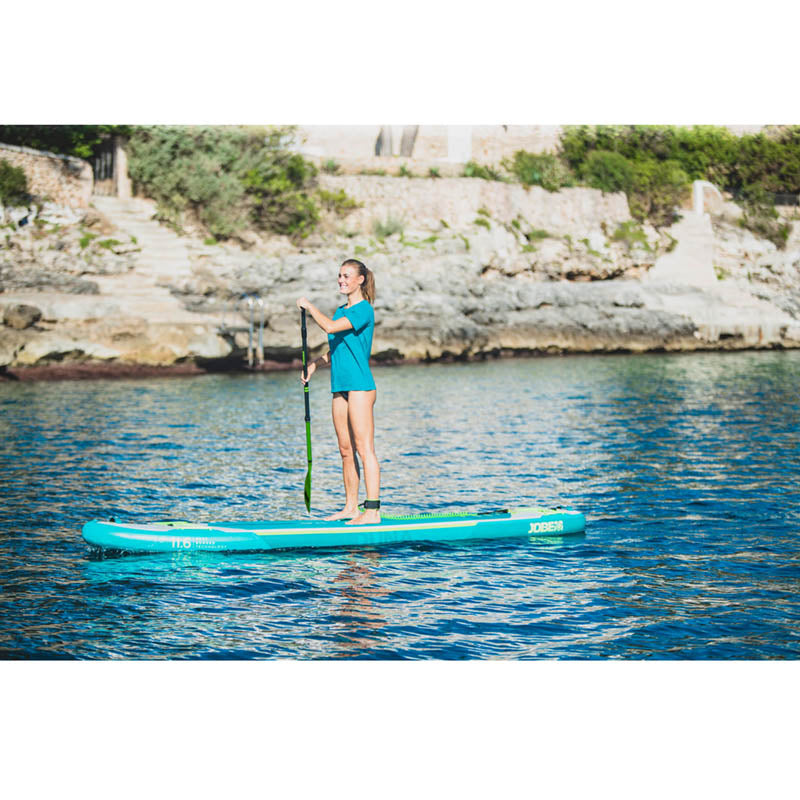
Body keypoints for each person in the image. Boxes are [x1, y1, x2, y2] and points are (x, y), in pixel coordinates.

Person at [296, 259, 381, 525]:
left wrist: (310, 307)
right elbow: (338, 349)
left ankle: (373, 511)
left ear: (360, 280)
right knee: (345, 450)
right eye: (339, 276)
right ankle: (350, 508)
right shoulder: (340, 310)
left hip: (360, 387)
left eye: (346, 276)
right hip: (340, 387)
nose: (341, 280)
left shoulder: (363, 311)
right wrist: (315, 364)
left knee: (364, 449)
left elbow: (331, 329)